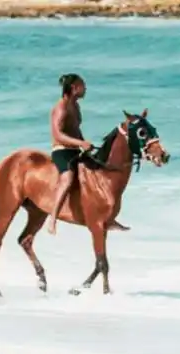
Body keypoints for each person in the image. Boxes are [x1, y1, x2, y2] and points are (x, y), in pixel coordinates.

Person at [46, 74, 129, 235]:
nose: (85, 89)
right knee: (68, 177)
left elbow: (75, 130)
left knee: (100, 170)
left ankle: (107, 216)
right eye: (83, 85)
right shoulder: (61, 107)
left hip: (76, 149)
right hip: (61, 150)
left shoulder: (75, 107)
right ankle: (53, 217)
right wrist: (80, 144)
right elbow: (57, 134)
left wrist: (85, 145)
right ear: (74, 88)